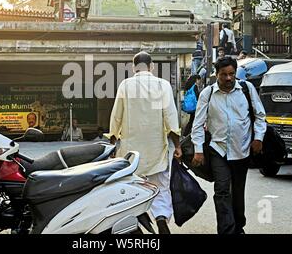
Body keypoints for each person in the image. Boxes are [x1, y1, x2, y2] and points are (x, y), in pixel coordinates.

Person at [108, 51, 182, 234]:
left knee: (132, 188)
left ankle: (135, 226)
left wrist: (112, 143)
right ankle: (161, 218)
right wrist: (178, 146)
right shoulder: (162, 85)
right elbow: (170, 118)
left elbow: (116, 117)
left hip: (131, 153)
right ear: (152, 67)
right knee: (161, 189)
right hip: (157, 150)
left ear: (134, 68)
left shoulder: (125, 85)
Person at [191, 56, 266, 234]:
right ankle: (226, 230)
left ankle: (238, 226)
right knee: (222, 190)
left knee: (238, 192)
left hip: (242, 150)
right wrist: (198, 150)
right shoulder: (207, 94)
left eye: (231, 74)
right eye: (223, 75)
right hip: (219, 150)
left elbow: (260, 116)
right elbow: (198, 124)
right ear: (216, 75)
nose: (228, 78)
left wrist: (259, 138)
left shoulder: (246, 90)